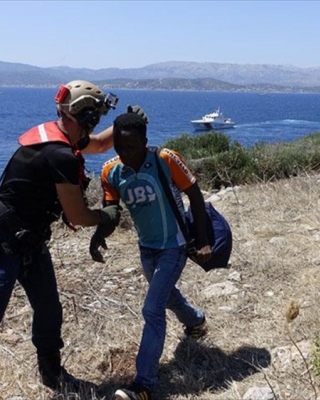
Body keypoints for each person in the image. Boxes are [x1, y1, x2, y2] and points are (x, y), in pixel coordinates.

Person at [0, 80, 128, 400]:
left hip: (27, 241)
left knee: (49, 311)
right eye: (98, 114)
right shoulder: (60, 155)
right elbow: (77, 216)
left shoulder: (55, 134)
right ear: (87, 116)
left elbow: (100, 145)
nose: (98, 120)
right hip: (1, 243)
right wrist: (107, 216)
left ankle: (52, 374)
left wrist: (125, 125)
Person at [92, 111, 211, 400]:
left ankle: (143, 386)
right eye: (119, 147)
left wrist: (204, 241)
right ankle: (196, 321)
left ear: (145, 141)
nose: (125, 154)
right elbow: (112, 210)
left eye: (131, 148)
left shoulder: (165, 159)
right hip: (147, 248)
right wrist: (97, 235)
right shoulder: (110, 171)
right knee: (166, 296)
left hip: (175, 245)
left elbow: (195, 195)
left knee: (152, 309)